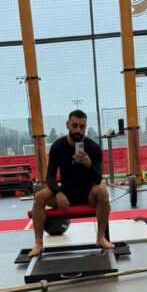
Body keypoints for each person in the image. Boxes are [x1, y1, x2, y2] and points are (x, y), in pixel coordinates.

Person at [29, 110, 113, 257]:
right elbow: (49, 177)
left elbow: (98, 179)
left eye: (82, 126)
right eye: (74, 125)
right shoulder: (58, 146)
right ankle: (38, 244)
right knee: (39, 197)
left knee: (102, 191)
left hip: (87, 193)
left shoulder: (93, 148)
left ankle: (100, 238)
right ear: (68, 125)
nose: (78, 130)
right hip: (66, 192)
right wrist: (58, 193)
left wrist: (89, 165)